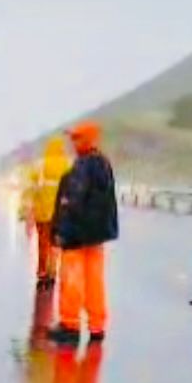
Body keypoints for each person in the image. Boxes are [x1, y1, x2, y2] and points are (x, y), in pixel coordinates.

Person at [51, 120, 117, 343]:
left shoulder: (82, 166)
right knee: (94, 282)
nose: (72, 142)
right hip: (96, 237)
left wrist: (63, 232)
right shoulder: (103, 164)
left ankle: (70, 326)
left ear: (86, 139)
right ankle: (97, 326)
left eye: (76, 138)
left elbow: (72, 204)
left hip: (77, 237)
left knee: (72, 281)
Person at [27, 137, 70, 286]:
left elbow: (32, 187)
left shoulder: (41, 165)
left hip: (42, 211)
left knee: (42, 243)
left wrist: (30, 208)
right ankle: (52, 273)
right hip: (59, 214)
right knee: (55, 244)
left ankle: (42, 272)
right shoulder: (66, 165)